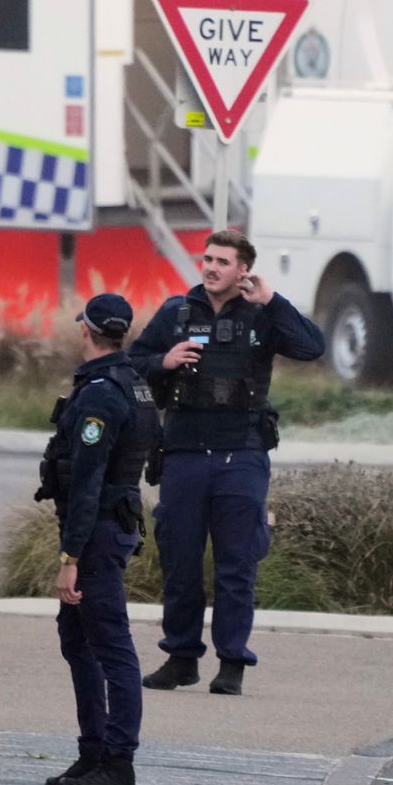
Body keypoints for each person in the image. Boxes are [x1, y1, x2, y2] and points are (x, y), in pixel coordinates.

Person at [128, 229, 324, 697]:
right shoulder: (177, 312)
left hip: (242, 453)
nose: (211, 267)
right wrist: (163, 361)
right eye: (207, 259)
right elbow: (131, 363)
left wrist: (273, 299)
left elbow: (312, 347)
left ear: (243, 270)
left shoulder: (262, 314)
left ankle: (231, 661)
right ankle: (181, 658)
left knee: (237, 564)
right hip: (185, 453)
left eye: (222, 261)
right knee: (180, 560)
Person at [35, 292, 161, 785]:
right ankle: (93, 753)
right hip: (114, 525)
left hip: (99, 532)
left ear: (85, 329)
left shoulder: (102, 394)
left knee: (110, 645)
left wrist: (70, 559)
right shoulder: (134, 385)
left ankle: (117, 763)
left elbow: (86, 483)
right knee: (78, 638)